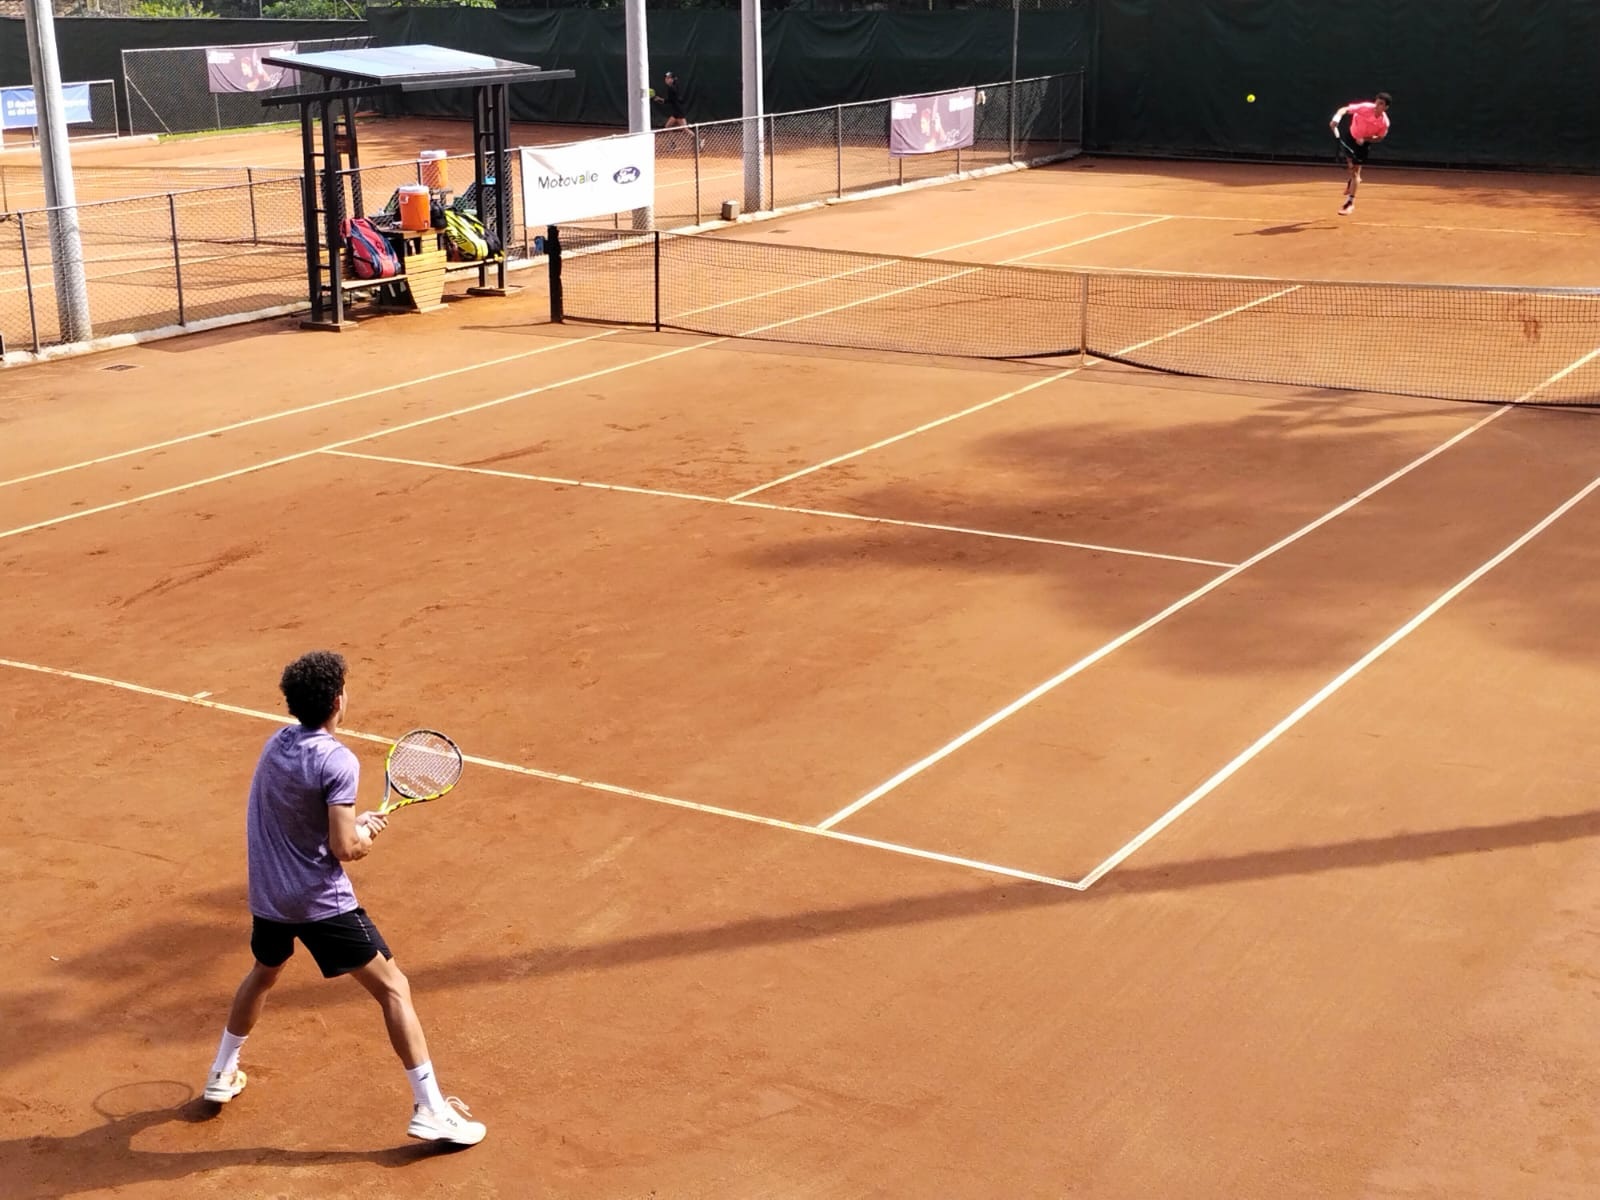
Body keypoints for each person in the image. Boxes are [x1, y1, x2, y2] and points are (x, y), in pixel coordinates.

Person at [201, 650, 485, 1147]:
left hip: (269, 896)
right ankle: (430, 1108)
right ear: (338, 701)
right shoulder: (337, 760)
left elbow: (300, 818)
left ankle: (222, 1071)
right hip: (319, 903)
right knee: (394, 989)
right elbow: (343, 848)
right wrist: (362, 836)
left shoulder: (276, 744)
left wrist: (355, 823)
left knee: (264, 973)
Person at [1329, 92, 1392, 216]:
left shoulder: (1384, 122)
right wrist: (1336, 119)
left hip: (1363, 143)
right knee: (1352, 169)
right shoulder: (1365, 107)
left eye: (1381, 104)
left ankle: (1350, 203)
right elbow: (1344, 109)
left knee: (1356, 173)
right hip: (1350, 138)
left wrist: (1366, 139)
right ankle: (1353, 180)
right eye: (1377, 102)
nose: (1376, 105)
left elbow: (1379, 138)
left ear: (1386, 107)